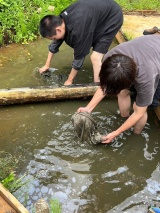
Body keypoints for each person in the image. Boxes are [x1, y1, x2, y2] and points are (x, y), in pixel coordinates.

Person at [77, 34, 160, 143]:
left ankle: (136, 135)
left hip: (155, 61)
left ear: (130, 81)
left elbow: (139, 112)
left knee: (139, 107)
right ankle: (124, 118)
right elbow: (105, 85)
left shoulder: (146, 78)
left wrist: (116, 132)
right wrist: (88, 108)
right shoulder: (111, 59)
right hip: (148, 45)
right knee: (122, 92)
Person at [39, 0, 123, 85]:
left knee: (95, 57)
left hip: (113, 16)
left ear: (58, 30)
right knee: (88, 37)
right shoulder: (61, 19)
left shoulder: (79, 32)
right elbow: (55, 44)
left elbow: (79, 59)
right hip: (97, 10)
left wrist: (69, 80)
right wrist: (47, 65)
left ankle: (97, 86)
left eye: (53, 38)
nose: (54, 40)